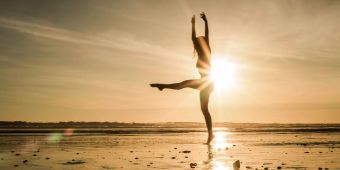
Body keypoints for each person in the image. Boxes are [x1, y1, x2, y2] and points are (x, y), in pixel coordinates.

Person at [150, 12, 214, 144]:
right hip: (206, 83)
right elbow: (193, 38)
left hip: (206, 82)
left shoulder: (207, 49)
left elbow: (205, 35)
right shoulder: (201, 50)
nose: (200, 40)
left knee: (183, 84)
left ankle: (163, 86)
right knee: (204, 109)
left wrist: (205, 22)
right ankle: (210, 135)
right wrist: (193, 24)